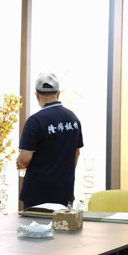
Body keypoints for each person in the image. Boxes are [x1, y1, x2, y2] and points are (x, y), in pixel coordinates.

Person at [17, 73, 84, 209]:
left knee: (35, 224)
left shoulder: (35, 121)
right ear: (58, 93)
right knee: (63, 223)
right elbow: (76, 153)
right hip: (64, 193)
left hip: (37, 196)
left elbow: (24, 160)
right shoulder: (73, 119)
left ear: (37, 95)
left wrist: (19, 162)